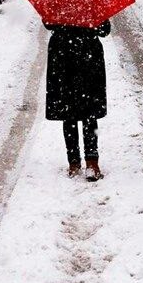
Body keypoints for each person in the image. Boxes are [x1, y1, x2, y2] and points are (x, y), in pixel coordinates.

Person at [44, 20, 111, 181]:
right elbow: (104, 30)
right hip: (82, 58)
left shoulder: (58, 0)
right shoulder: (92, 0)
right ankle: (89, 162)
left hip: (65, 58)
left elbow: (48, 23)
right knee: (86, 113)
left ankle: (77, 162)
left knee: (72, 113)